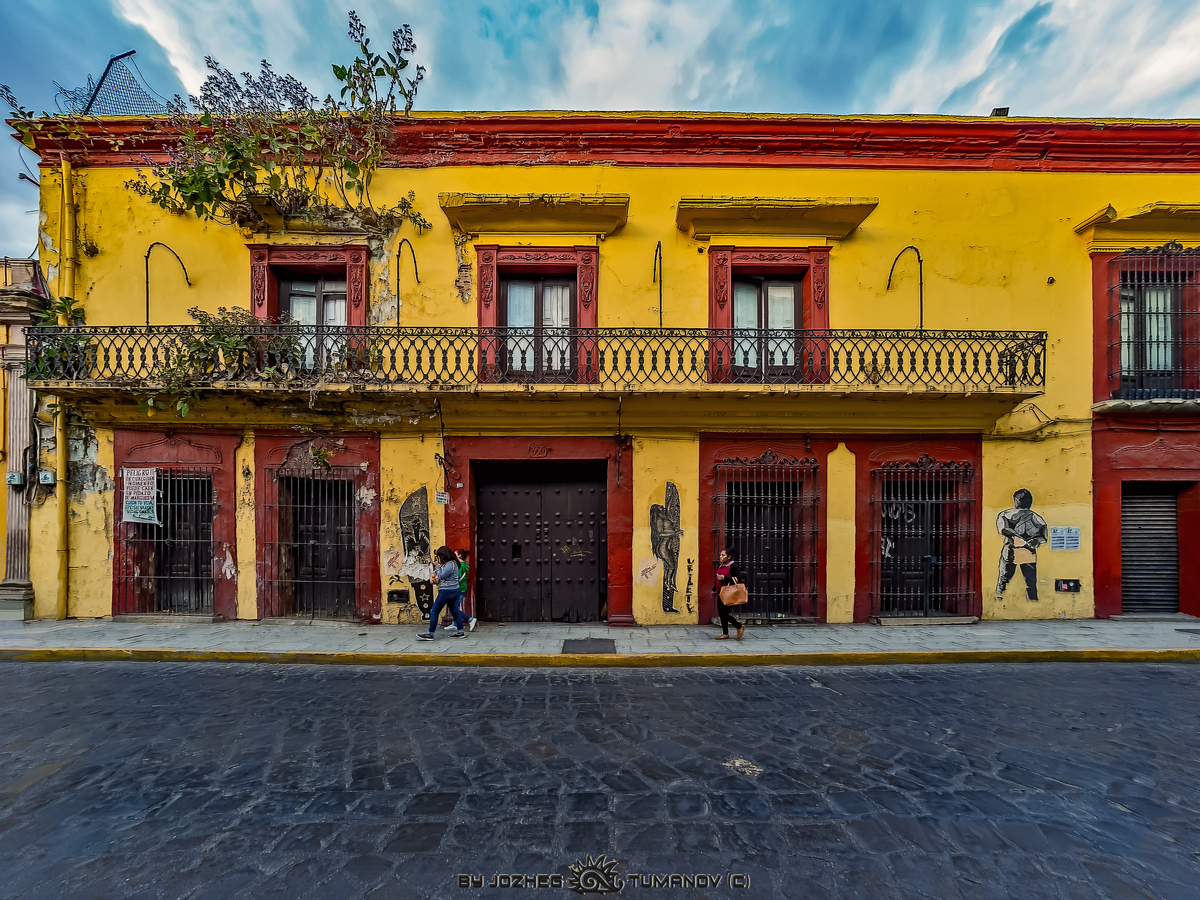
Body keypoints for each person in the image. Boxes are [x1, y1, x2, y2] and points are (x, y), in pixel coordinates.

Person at [996, 489, 1048, 600]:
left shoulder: (1005, 514)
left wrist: (1016, 537)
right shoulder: (1037, 518)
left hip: (1010, 549)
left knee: (1003, 581)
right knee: (1030, 583)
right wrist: (1033, 541)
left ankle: (999, 602)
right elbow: (1043, 537)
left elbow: (1003, 529)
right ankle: (1033, 606)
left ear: (1016, 501)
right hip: (1028, 551)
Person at [417, 546, 473, 640]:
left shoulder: (450, 564)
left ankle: (430, 634)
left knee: (434, 610)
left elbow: (442, 576)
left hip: (447, 590)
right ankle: (460, 632)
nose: (439, 558)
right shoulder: (452, 563)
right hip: (453, 589)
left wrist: (437, 567)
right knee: (455, 610)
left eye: (439, 556)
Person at [714, 546, 745, 641]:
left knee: (724, 614)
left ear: (729, 557)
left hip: (729, 593)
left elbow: (739, 579)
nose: (721, 557)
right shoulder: (721, 565)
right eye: (720, 555)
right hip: (721, 592)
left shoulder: (733, 566)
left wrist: (725, 578)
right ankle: (725, 633)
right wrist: (714, 588)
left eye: (723, 555)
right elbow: (717, 579)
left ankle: (739, 626)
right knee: (721, 613)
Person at [443, 548, 476, 631]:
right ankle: (455, 623)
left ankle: (470, 619)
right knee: (454, 606)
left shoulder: (460, 565)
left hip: (459, 588)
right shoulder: (463, 564)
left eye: (455, 554)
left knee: (454, 608)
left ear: (459, 555)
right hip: (461, 588)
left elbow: (457, 577)